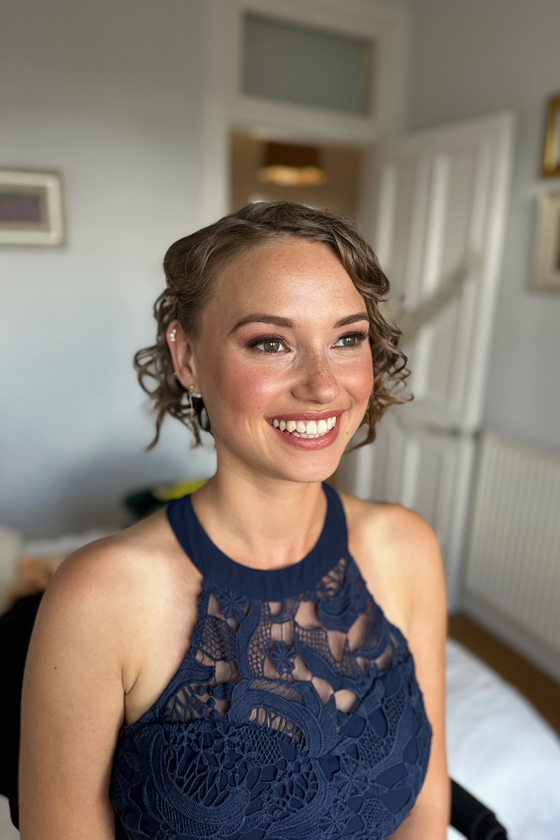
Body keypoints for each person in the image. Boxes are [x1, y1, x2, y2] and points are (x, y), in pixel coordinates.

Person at [18, 201, 449, 839]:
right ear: (186, 357)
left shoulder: (406, 547)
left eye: (347, 338)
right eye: (270, 343)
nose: (324, 385)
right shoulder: (98, 596)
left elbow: (427, 810)